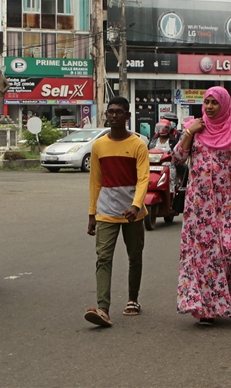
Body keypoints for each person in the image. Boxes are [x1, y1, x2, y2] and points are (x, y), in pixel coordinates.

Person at [173, 86, 231, 326]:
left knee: (229, 250)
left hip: (230, 204)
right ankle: (205, 308)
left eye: (214, 102)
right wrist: (189, 132)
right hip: (198, 206)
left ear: (225, 105)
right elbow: (178, 158)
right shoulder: (195, 130)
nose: (209, 106)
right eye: (206, 102)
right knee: (203, 257)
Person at [85, 96, 150, 328]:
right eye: (110, 112)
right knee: (103, 258)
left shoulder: (138, 145)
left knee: (135, 257)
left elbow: (144, 178)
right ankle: (103, 309)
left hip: (133, 212)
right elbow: (95, 181)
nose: (113, 115)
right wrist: (92, 213)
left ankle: (133, 299)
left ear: (127, 116)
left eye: (119, 112)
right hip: (106, 211)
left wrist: (136, 204)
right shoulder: (99, 145)